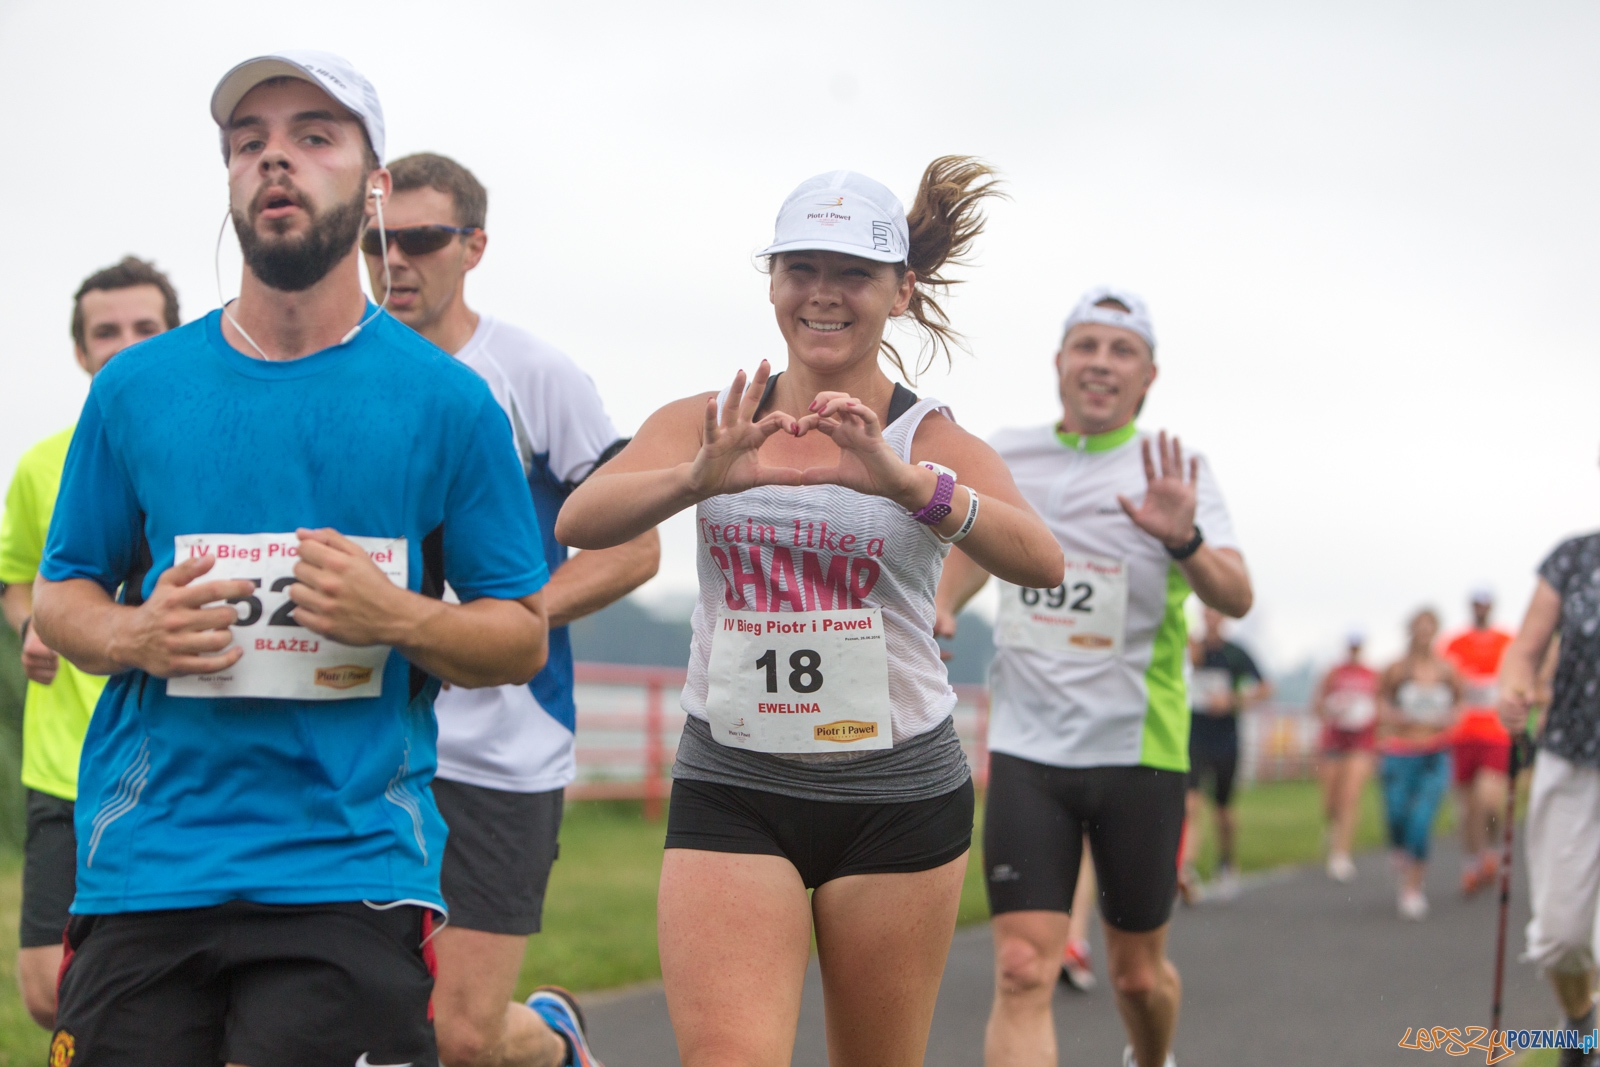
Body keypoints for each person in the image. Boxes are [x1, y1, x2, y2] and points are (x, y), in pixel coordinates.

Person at [31, 51, 553, 1067]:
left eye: (314, 137)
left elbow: (518, 636)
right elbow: (63, 596)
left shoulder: (447, 402)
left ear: (373, 186)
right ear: (230, 178)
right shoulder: (138, 388)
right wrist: (134, 630)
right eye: (249, 143)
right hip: (150, 863)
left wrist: (399, 617)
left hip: (345, 867)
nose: (277, 159)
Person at [557, 159, 1064, 1067]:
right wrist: (695, 479)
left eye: (853, 275)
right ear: (774, 285)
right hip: (735, 780)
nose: (823, 296)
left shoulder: (930, 439)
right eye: (801, 270)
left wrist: (915, 488)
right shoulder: (713, 418)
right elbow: (578, 518)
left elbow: (1041, 558)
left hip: (896, 792)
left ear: (900, 291)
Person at [363, 150, 659, 1067]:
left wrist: (512, 613)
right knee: (356, 1013)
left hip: (503, 744)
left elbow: (636, 542)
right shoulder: (343, 372)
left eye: (420, 239)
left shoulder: (533, 375)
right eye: (379, 242)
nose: (395, 262)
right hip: (363, 737)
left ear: (474, 246)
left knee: (461, 1033)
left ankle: (558, 1038)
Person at [937, 286, 1253, 1067]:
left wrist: (1185, 542)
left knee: (1138, 976)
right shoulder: (1009, 450)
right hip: (1027, 747)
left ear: (1148, 376)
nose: (1101, 364)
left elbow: (1235, 596)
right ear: (1059, 363)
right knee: (1020, 966)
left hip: (1137, 749)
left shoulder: (1175, 470)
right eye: (1087, 346)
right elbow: (979, 546)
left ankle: (1151, 1058)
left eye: (1122, 351)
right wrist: (941, 607)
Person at [0, 257, 179, 1028]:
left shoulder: (206, 448)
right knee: (47, 989)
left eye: (145, 327)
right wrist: (33, 624)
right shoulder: (42, 464)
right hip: (64, 758)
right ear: (80, 351)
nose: (124, 344)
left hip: (174, 759)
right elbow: (18, 581)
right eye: (105, 332)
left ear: (175, 335)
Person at [1500, 520, 1600, 1067]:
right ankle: (1580, 1019)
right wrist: (1513, 689)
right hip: (1572, 757)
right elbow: (1526, 651)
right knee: (1561, 938)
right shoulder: (1574, 558)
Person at [1376, 609, 1461, 921]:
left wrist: (1452, 717)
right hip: (1400, 749)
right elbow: (1381, 700)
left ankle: (1412, 888)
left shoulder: (1447, 670)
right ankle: (1399, 847)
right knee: (1397, 812)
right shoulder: (1396, 669)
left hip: (1435, 750)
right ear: (1410, 631)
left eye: (1430, 629)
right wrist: (1393, 716)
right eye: (1419, 628)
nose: (1424, 634)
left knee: (1422, 819)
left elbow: (1460, 702)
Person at [1181, 606, 1267, 900]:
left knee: (1223, 812)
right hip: (1193, 737)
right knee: (1190, 805)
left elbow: (1265, 688)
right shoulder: (1192, 649)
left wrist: (1232, 699)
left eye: (1216, 613)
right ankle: (1186, 869)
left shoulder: (1236, 654)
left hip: (1225, 741)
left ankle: (1227, 861)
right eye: (1206, 612)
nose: (1211, 618)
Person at [1442, 589, 1514, 897]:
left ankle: (1491, 848)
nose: (1481, 609)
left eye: (1485, 604)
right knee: (1468, 807)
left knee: (1489, 802)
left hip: (1496, 733)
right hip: (1462, 733)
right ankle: (1472, 862)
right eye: (1476, 605)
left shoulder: (1506, 641)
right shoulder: (1455, 644)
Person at [1311, 630, 1379, 883]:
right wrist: (1334, 708)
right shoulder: (1333, 673)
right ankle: (1332, 828)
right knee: (1331, 801)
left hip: (1361, 742)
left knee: (1350, 796)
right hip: (1334, 741)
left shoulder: (1373, 676)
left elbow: (1379, 707)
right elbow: (1317, 704)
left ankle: (1341, 854)